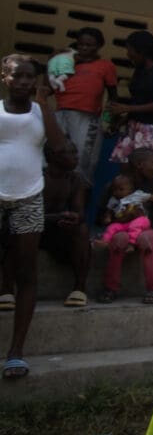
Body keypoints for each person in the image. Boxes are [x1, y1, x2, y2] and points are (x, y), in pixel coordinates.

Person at [0, 54, 66, 380]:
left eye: (30, 77)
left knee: (27, 273)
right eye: (18, 76)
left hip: (29, 196)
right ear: (5, 77)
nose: (25, 82)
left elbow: (58, 147)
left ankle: (16, 352)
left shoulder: (41, 112)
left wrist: (44, 105)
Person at [53, 27, 118, 190]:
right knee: (55, 157)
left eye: (90, 45)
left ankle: (78, 207)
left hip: (87, 118)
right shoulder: (65, 62)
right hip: (61, 114)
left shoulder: (105, 66)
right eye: (81, 44)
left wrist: (108, 122)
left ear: (99, 46)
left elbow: (112, 98)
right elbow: (49, 86)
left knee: (82, 163)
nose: (84, 48)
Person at [95, 172, 153, 305]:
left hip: (143, 227)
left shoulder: (150, 188)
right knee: (118, 240)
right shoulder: (113, 193)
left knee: (146, 240)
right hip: (122, 226)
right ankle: (110, 287)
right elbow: (102, 218)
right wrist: (115, 218)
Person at [108, 30, 153, 170]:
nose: (128, 54)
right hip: (132, 127)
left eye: (130, 50)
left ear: (142, 52)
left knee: (144, 172)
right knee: (125, 170)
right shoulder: (139, 71)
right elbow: (138, 100)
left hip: (150, 130)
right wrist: (121, 121)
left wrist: (127, 108)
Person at [40, 142, 91, 307]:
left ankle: (79, 287)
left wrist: (73, 217)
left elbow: (79, 211)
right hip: (34, 229)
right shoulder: (38, 177)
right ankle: (7, 290)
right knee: (17, 229)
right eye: (71, 154)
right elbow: (27, 215)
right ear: (53, 156)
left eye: (76, 153)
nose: (76, 158)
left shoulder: (75, 179)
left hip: (58, 229)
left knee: (81, 230)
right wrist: (57, 217)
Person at [94, 174, 153, 250]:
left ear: (131, 190)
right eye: (114, 190)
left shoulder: (137, 195)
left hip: (140, 220)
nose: (117, 192)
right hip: (123, 223)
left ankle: (132, 243)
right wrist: (107, 217)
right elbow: (109, 210)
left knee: (135, 226)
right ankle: (105, 241)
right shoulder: (113, 200)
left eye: (121, 189)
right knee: (112, 227)